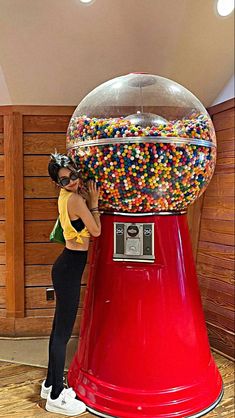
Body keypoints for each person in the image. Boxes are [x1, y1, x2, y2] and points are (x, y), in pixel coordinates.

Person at [41, 152, 101, 416]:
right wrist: (95, 202)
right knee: (62, 333)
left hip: (66, 266)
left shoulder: (67, 196)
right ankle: (55, 397)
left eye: (75, 176)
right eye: (66, 180)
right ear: (58, 183)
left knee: (58, 330)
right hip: (68, 269)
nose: (73, 182)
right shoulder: (75, 199)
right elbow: (96, 231)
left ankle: (49, 384)